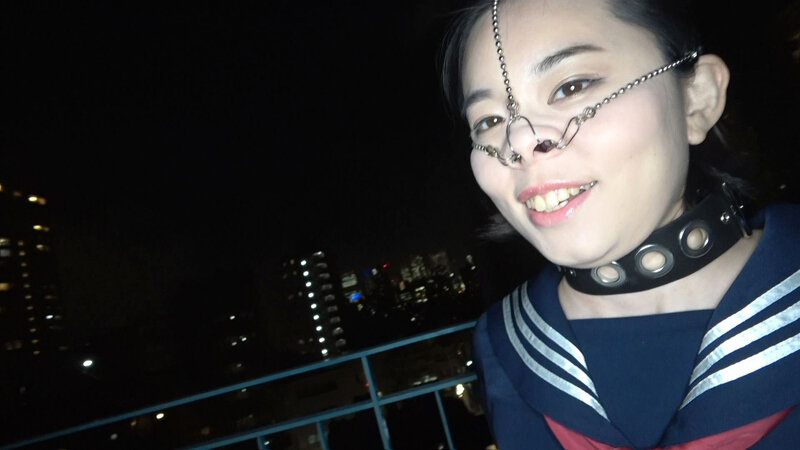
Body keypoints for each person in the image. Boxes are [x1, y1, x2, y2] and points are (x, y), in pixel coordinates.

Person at [439, 0, 800, 448]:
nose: (520, 141)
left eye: (571, 87)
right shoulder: (507, 348)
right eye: (489, 121)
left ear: (697, 99)